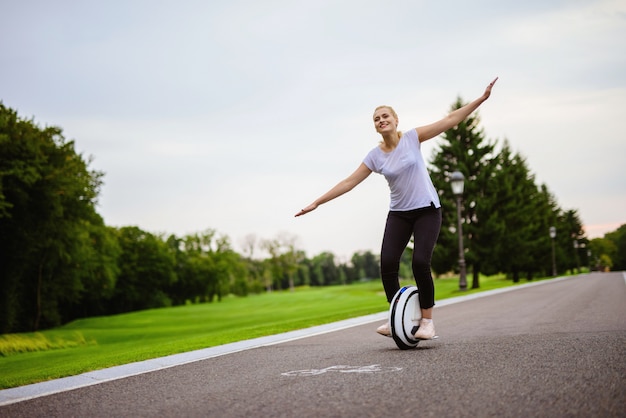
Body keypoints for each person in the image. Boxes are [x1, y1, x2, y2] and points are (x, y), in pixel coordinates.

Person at [295, 78, 498, 340]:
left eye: (385, 116)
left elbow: (449, 120)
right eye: (377, 119)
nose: (381, 120)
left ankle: (427, 322)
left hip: (427, 210)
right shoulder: (375, 156)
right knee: (388, 263)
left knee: (420, 262)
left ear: (395, 119)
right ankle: (396, 317)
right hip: (400, 214)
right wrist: (317, 202)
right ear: (376, 127)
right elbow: (349, 182)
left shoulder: (412, 138)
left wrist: (481, 99)